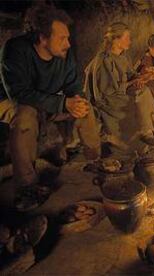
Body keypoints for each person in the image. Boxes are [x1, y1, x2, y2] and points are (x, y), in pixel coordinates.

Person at [0, 5, 101, 210]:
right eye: (62, 38)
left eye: (68, 37)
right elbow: (20, 94)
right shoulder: (15, 50)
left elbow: (73, 85)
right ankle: (27, 187)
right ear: (42, 38)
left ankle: (97, 163)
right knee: (26, 116)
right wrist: (63, 103)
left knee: (85, 107)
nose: (68, 43)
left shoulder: (65, 55)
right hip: (13, 103)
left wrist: (76, 101)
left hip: (48, 103)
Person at [84, 22, 139, 153]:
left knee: (145, 92)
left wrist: (146, 75)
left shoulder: (123, 57)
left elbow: (131, 74)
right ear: (115, 40)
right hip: (107, 100)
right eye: (126, 38)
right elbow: (106, 92)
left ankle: (143, 136)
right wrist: (132, 83)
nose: (129, 41)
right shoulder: (104, 60)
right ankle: (110, 136)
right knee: (137, 102)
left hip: (119, 93)